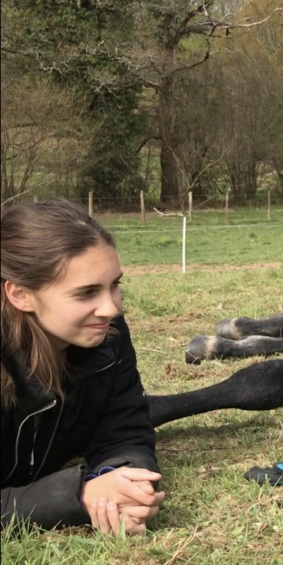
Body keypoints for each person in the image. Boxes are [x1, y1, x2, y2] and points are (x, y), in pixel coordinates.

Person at [1, 200, 165, 535]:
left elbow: (126, 428)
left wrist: (123, 480)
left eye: (115, 285)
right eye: (86, 293)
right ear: (21, 295)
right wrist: (78, 496)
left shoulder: (108, 337)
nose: (110, 307)